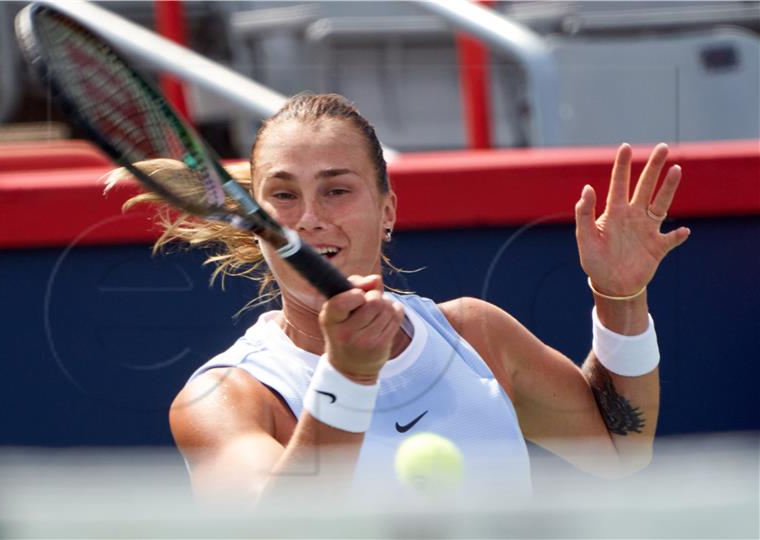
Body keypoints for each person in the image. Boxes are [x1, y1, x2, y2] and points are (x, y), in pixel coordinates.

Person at [119, 93, 690, 506]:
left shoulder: (476, 335)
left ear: (387, 210)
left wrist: (620, 296)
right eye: (284, 195)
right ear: (257, 218)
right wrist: (347, 378)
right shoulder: (223, 397)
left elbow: (619, 453)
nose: (310, 220)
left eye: (337, 190)